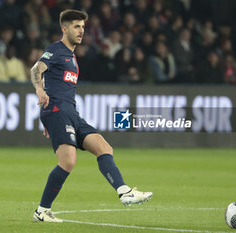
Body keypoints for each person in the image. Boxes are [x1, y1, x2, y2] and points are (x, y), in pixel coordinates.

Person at [30, 9, 152, 223]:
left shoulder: (73, 57)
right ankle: (42, 211)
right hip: (58, 110)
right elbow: (35, 70)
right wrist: (40, 92)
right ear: (64, 28)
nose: (81, 31)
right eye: (76, 26)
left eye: (83, 27)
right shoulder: (56, 49)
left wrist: (47, 118)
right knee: (68, 162)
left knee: (104, 148)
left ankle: (124, 192)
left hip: (70, 113)